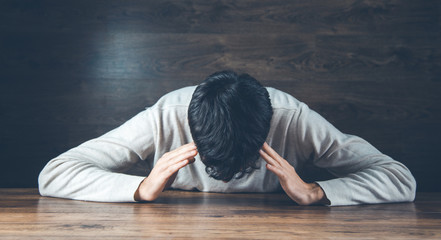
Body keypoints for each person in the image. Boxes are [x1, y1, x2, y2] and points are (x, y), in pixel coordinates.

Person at [38, 71, 416, 206]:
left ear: (268, 130)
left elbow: (400, 178)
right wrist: (142, 187)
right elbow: (55, 173)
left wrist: (316, 191)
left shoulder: (294, 119)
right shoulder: (167, 115)